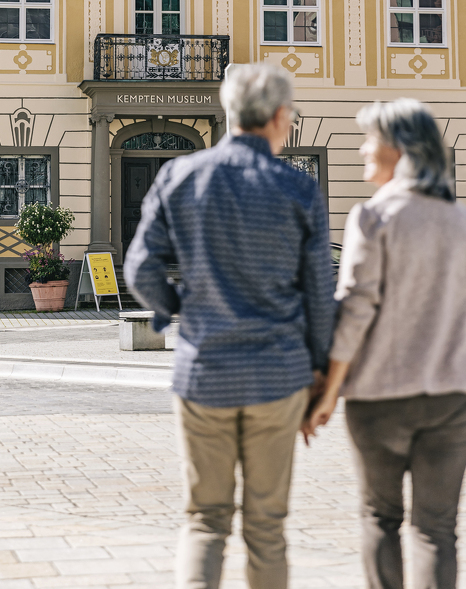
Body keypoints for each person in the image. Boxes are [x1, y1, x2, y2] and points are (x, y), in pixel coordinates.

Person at [125, 63, 335, 589]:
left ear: (230, 112)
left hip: (205, 372)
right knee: (267, 525)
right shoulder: (298, 189)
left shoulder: (180, 175)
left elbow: (138, 268)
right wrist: (319, 370)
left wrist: (175, 308)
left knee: (205, 520)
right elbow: (318, 293)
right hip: (277, 375)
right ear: (280, 117)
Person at [304, 98, 466, 589]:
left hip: (379, 399)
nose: (361, 150)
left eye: (369, 140)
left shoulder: (372, 218)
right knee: (437, 529)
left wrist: (329, 392)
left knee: (381, 519)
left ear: (398, 149)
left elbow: (354, 313)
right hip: (454, 399)